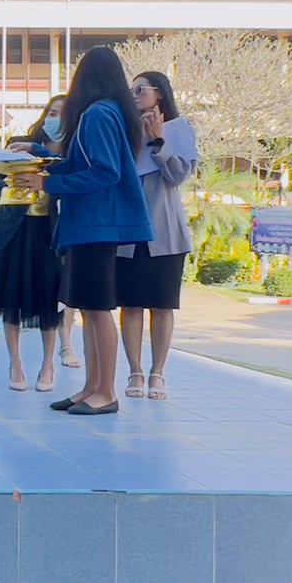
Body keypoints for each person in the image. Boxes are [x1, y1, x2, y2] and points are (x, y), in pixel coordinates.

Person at [12, 46, 152, 415]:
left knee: (98, 309)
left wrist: (47, 184)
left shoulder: (97, 114)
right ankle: (91, 387)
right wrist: (39, 153)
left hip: (95, 224)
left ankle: (105, 392)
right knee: (89, 309)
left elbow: (104, 172)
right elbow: (79, 162)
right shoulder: (109, 112)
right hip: (90, 224)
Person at [117, 71, 198, 400]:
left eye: (141, 89)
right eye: (131, 89)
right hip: (127, 231)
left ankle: (158, 373)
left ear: (159, 93)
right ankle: (135, 371)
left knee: (163, 306)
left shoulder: (179, 129)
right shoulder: (122, 128)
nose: (134, 94)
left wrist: (158, 142)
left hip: (165, 232)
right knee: (130, 304)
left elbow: (178, 176)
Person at [0, 95, 67, 392]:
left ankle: (48, 364)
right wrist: (7, 184)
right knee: (11, 296)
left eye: (61, 114)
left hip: (50, 231)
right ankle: (15, 363)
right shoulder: (21, 144)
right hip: (14, 230)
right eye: (52, 112)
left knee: (49, 299)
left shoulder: (73, 151)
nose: (54, 118)